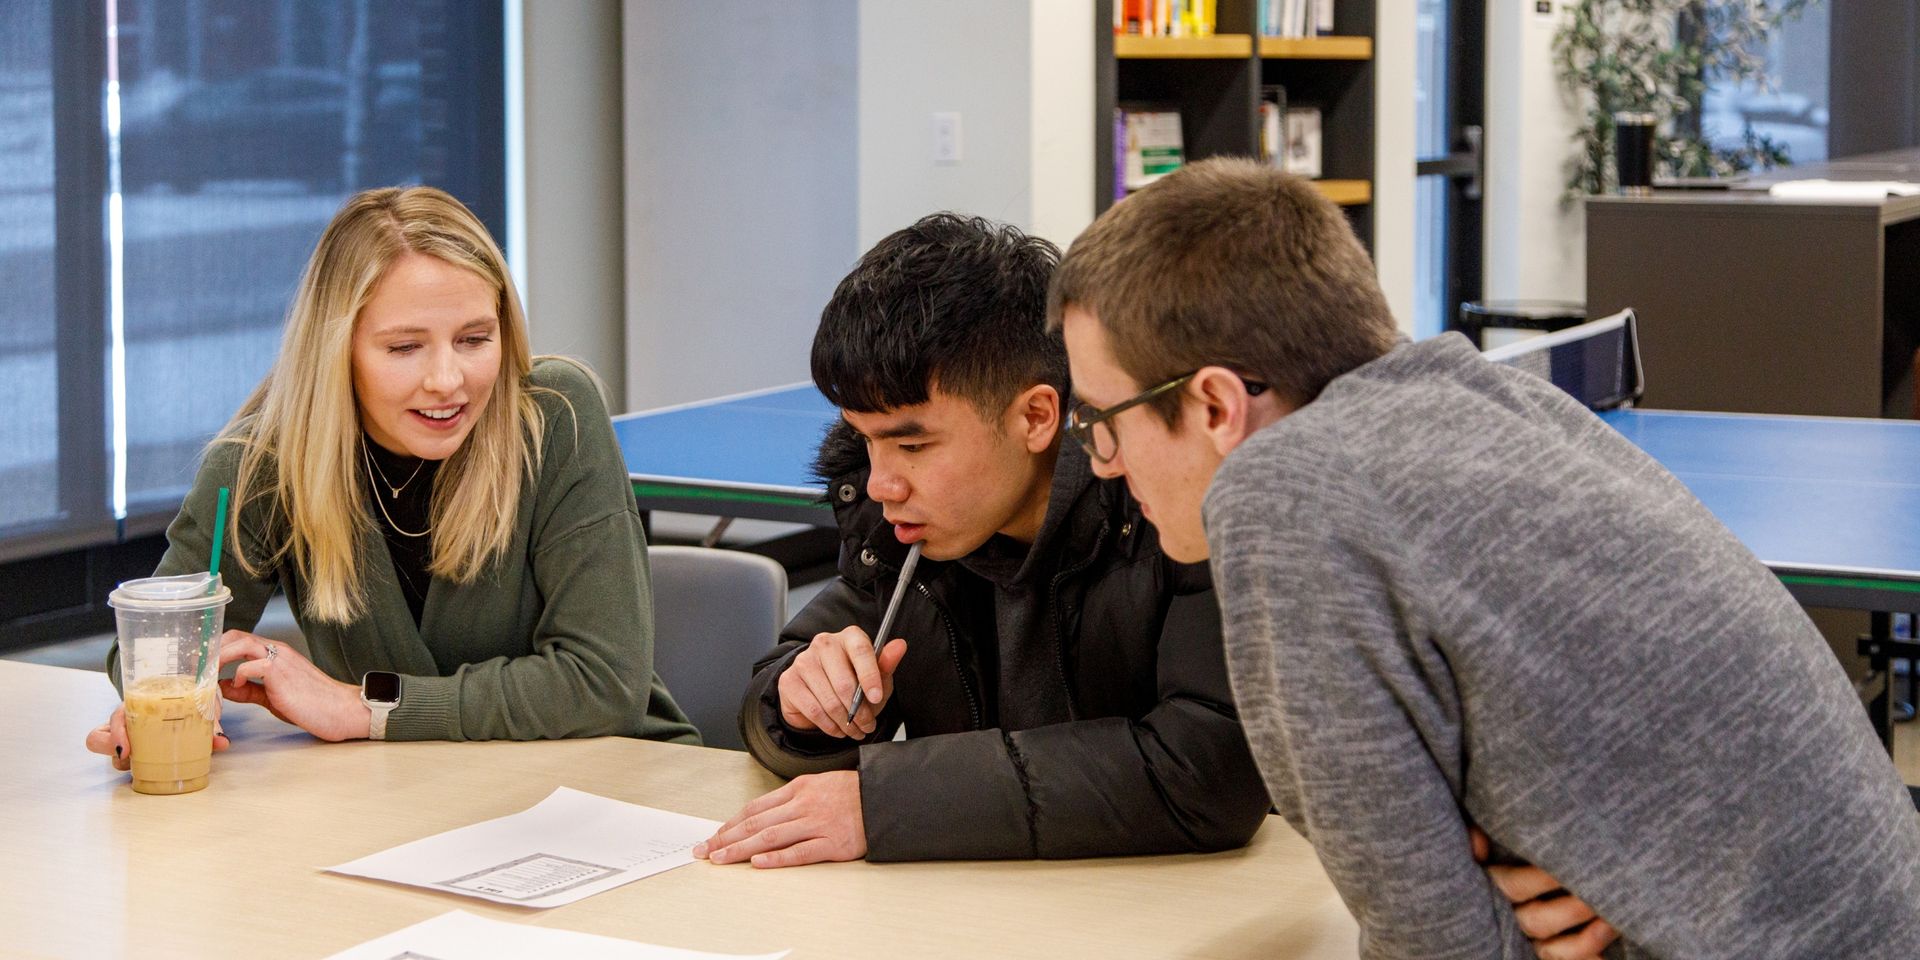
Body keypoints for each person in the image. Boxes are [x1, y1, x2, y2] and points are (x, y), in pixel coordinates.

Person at [1049, 156, 1920, 957]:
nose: (1102, 462)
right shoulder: (1494, 398)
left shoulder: (1285, 487)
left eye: (1101, 419)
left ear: (1213, 405)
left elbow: (1438, 946)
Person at [692, 213, 1271, 867]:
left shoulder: (1176, 503)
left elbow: (1205, 768)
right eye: (864, 438)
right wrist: (799, 705)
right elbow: (780, 687)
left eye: (912, 444)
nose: (882, 482)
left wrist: (890, 804)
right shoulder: (905, 527)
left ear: (1035, 416)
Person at [86, 186, 697, 766]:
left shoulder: (555, 415)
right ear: (336, 349)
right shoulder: (263, 460)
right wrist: (171, 690)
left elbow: (603, 682)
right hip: (404, 798)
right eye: (404, 348)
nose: (446, 380)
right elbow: (150, 648)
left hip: (615, 780)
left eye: (475, 339)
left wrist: (366, 706)